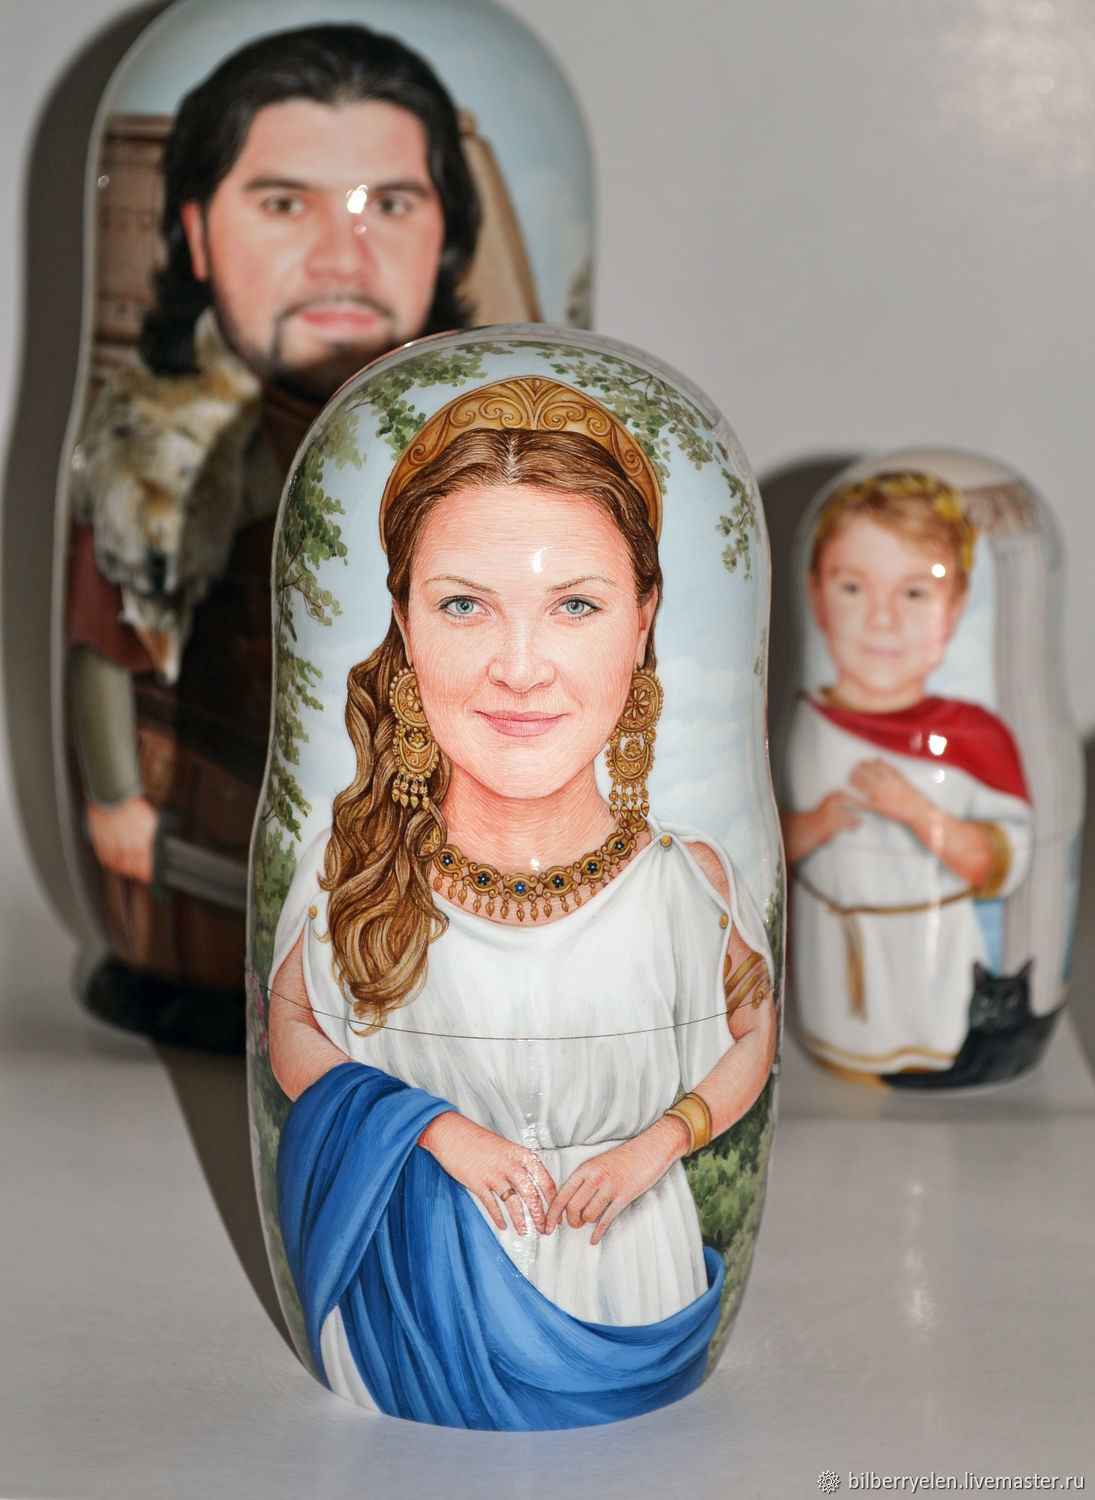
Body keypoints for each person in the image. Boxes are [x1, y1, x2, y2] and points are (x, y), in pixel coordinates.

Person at [266, 376, 778, 1429]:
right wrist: (438, 1132)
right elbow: (292, 1031)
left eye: (575, 606)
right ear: (405, 624)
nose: (518, 668)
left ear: (642, 622)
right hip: (413, 1303)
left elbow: (753, 1029)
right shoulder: (345, 867)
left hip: (631, 1271)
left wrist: (656, 1144)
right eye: (463, 605)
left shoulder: (686, 885)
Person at [64, 24, 480, 1046]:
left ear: (446, 237)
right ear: (198, 234)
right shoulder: (151, 459)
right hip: (205, 848)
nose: (343, 257)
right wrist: (116, 798)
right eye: (285, 204)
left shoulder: (494, 452)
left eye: (390, 204)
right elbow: (103, 646)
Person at [781, 471, 1034, 1078]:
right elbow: (768, 840)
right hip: (831, 948)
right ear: (816, 595)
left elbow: (1002, 864)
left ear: (955, 607)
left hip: (930, 964)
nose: (882, 619)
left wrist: (916, 811)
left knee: (930, 1061)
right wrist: (812, 826)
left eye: (915, 593)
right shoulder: (805, 721)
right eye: (852, 587)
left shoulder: (976, 736)